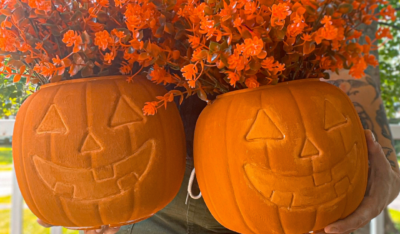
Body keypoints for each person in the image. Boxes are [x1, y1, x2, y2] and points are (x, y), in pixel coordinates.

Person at [38, 69, 400, 234]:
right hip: (150, 193)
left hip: (286, 190)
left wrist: (384, 163)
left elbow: (346, 59)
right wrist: (89, 191)